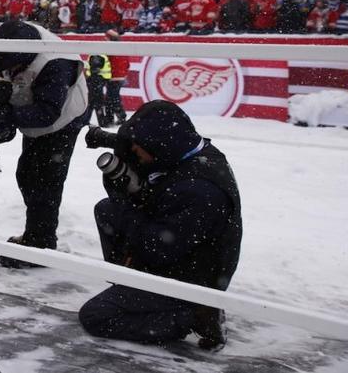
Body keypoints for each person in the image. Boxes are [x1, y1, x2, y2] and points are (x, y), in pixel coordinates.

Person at [79, 101, 242, 350]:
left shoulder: (199, 190)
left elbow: (156, 248)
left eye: (139, 146)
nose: (134, 150)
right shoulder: (185, 152)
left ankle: (196, 315)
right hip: (178, 249)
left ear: (159, 144)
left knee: (96, 316)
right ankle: (130, 283)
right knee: (107, 210)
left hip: (192, 277)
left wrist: (126, 201)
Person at [0, 19, 89, 269]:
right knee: (27, 173)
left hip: (64, 118)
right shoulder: (5, 39)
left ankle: (41, 243)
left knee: (46, 179)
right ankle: (36, 233)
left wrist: (3, 117)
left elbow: (47, 113)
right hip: (33, 103)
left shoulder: (56, 63)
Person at [104, 30, 128, 125]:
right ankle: (114, 117)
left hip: (113, 77)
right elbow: (127, 63)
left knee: (112, 99)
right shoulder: (122, 47)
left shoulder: (110, 48)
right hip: (120, 77)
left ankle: (116, 117)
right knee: (113, 98)